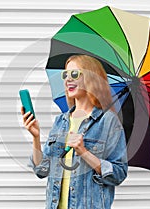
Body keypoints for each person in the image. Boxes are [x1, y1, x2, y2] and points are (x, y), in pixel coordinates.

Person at [21, 55, 128, 209]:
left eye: (75, 74)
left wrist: (84, 152)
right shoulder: (61, 121)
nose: (68, 79)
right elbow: (42, 170)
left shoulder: (108, 122)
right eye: (66, 74)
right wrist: (36, 138)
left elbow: (118, 174)